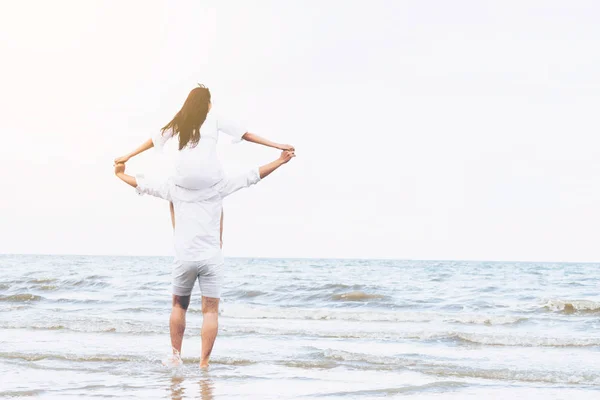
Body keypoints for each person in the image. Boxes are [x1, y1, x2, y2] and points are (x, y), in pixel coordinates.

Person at [114, 150, 295, 368]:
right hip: (211, 256)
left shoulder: (174, 188)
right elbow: (253, 175)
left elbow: (142, 184)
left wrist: (120, 174)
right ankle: (204, 363)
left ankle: (175, 356)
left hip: (184, 255)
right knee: (210, 310)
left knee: (178, 306)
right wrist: (280, 161)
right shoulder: (218, 186)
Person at [114, 85, 294, 241]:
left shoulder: (181, 119)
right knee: (220, 194)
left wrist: (127, 156)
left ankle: (178, 236)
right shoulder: (213, 116)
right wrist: (277, 145)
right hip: (210, 179)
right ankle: (219, 241)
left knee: (171, 194)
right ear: (207, 103)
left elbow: (155, 139)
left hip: (182, 179)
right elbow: (246, 135)